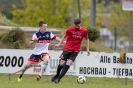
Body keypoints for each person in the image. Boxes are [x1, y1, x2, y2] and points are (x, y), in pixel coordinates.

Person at [51, 18, 90, 83]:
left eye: (77, 25)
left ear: (80, 24)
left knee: (68, 64)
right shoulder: (70, 29)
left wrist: (87, 49)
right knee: (61, 63)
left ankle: (58, 79)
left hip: (75, 50)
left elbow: (87, 39)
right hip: (67, 48)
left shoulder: (84, 31)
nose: (76, 27)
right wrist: (59, 44)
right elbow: (64, 36)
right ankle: (57, 75)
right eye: (75, 25)